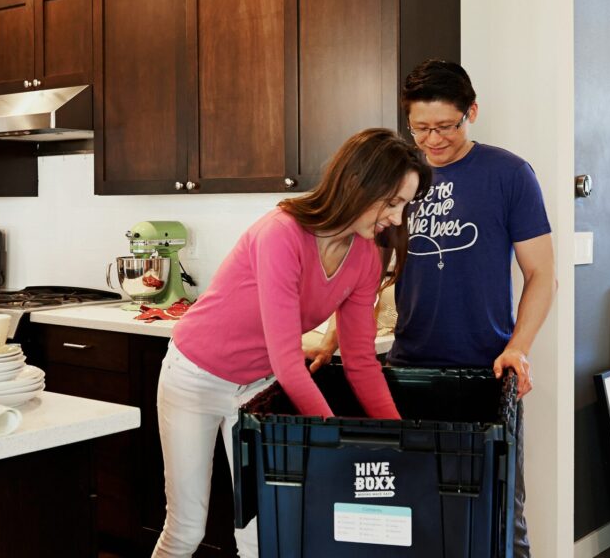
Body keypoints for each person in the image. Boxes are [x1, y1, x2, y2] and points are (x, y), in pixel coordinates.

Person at [151, 128, 431, 558]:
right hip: (196, 379)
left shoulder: (364, 256)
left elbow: (360, 361)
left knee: (265, 537)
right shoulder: (281, 234)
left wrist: (403, 441)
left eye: (404, 206)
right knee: (186, 530)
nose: (397, 217)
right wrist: (334, 443)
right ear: (359, 184)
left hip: (257, 391)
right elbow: (288, 362)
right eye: (393, 202)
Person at [390, 59, 556, 557]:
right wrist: (335, 334)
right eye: (420, 128)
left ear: (472, 112)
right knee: (414, 511)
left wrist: (519, 348)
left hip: (486, 371)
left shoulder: (508, 174)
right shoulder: (401, 176)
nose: (433, 140)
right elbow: (368, 261)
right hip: (409, 369)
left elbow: (542, 275)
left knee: (501, 510)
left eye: (446, 126)